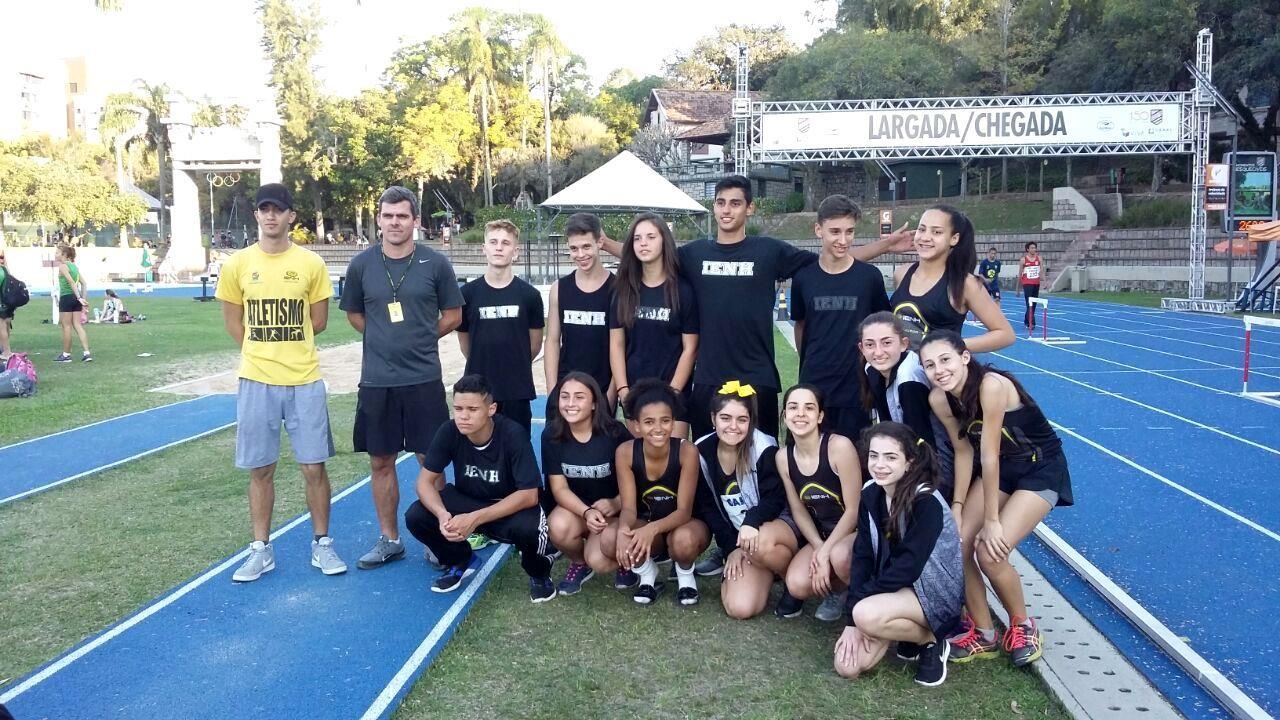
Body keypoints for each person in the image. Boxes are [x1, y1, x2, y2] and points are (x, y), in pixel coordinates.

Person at [216, 183, 346, 582]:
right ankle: (261, 549)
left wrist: (287, 350)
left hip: (304, 379)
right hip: (256, 380)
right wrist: (263, 352)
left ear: (291, 216)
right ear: (256, 215)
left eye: (278, 210)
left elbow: (319, 322)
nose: (271, 216)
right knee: (260, 469)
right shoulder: (237, 264)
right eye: (264, 209)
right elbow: (234, 324)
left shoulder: (310, 264)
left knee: (313, 467)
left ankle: (322, 544)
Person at [919, 330, 1073, 667]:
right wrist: (957, 507)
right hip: (1003, 469)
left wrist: (991, 521)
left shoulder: (991, 385)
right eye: (929, 365)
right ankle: (984, 633)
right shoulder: (939, 399)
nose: (939, 370)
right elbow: (963, 452)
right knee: (957, 544)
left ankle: (1022, 625)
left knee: (990, 553)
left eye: (945, 360)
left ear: (964, 357)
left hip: (1039, 468)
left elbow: (988, 456)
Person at [340, 185, 464, 571]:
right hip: (377, 382)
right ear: (379, 219)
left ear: (415, 221)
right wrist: (383, 339)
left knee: (433, 461)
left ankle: (436, 535)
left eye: (402, 216)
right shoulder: (361, 265)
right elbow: (356, 315)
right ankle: (390, 539)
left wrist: (423, 337)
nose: (395, 222)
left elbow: (453, 315)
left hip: (423, 379)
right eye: (388, 215)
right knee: (381, 461)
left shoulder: (435, 264)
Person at [403, 374, 558, 602]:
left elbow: (529, 495)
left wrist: (474, 519)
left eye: (472, 409)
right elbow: (424, 482)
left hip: (508, 506)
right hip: (469, 500)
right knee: (417, 515)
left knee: (530, 528)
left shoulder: (512, 434)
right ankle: (460, 560)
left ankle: (539, 573)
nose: (463, 416)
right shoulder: (449, 431)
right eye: (458, 408)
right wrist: (442, 514)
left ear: (491, 409)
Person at [834, 422, 963, 688]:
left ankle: (931, 639)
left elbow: (908, 566)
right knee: (847, 667)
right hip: (893, 586)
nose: (879, 464)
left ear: (910, 463)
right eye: (874, 455)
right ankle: (901, 631)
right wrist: (850, 621)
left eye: (891, 457)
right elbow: (863, 556)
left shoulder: (927, 502)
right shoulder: (871, 493)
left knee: (866, 615)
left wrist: (859, 608)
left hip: (932, 592)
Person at [588, 379, 706, 604]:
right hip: (648, 522)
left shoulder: (686, 451)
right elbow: (630, 507)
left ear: (673, 422)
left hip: (684, 524)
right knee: (612, 539)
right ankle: (647, 575)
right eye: (649, 422)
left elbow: (684, 511)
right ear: (636, 425)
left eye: (665, 421)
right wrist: (624, 529)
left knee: (683, 541)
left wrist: (651, 529)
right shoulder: (625, 452)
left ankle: (685, 575)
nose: (658, 428)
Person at [790, 195, 891, 441]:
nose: (843, 240)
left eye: (850, 232)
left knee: (854, 461)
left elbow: (884, 327)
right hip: (814, 385)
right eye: (835, 231)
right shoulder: (804, 278)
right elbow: (801, 325)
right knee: (809, 459)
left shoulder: (869, 277)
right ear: (818, 230)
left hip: (855, 389)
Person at [695, 381, 798, 619]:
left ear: (751, 420)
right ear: (713, 418)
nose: (733, 426)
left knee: (759, 546)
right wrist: (730, 548)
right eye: (725, 418)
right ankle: (762, 569)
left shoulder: (763, 446)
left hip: (773, 527)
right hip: (743, 539)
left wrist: (751, 521)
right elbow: (709, 507)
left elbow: (774, 499)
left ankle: (790, 580)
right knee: (739, 608)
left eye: (742, 419)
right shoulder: (701, 450)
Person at [608, 212, 699, 439]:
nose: (643, 243)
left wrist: (672, 394)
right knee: (642, 464)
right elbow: (617, 345)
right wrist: (624, 392)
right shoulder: (623, 291)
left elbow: (690, 349)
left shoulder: (683, 291)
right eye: (637, 238)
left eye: (650, 237)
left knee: (673, 466)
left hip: (674, 394)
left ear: (664, 241)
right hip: (635, 395)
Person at [776, 384, 862, 622]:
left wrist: (825, 552)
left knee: (840, 557)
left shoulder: (839, 447)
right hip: (824, 535)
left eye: (809, 408)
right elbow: (798, 510)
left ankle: (862, 599)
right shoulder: (783, 457)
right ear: (784, 415)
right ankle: (837, 588)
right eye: (793, 407)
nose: (800, 414)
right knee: (796, 584)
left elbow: (854, 510)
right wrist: (818, 546)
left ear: (820, 415)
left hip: (856, 531)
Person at [543, 372, 632, 596]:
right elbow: (559, 488)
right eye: (565, 396)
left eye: (579, 397)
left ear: (594, 403)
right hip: (580, 511)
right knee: (557, 525)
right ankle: (578, 562)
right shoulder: (552, 435)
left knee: (599, 561)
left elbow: (639, 479)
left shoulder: (615, 433)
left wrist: (616, 502)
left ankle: (623, 560)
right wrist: (586, 512)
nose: (570, 403)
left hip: (614, 513)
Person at [458, 220, 544, 433]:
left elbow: (534, 345)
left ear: (515, 252)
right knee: (480, 454)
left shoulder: (530, 295)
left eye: (505, 243)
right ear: (484, 248)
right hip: (479, 390)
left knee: (516, 453)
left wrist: (513, 364)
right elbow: (465, 344)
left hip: (517, 390)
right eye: (493, 242)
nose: (498, 247)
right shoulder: (467, 294)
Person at [889, 205, 1013, 352]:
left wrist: (949, 347)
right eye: (922, 229)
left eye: (937, 232)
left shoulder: (965, 283)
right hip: (898, 372)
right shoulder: (901, 274)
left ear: (954, 238)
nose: (925, 237)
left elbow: (1005, 334)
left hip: (939, 373)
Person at [544, 213, 614, 407]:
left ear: (600, 243)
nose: (581, 255)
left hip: (602, 390)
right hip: (567, 390)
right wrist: (553, 391)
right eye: (574, 248)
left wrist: (611, 393)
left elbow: (621, 347)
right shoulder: (560, 288)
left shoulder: (617, 288)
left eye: (586, 246)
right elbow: (551, 340)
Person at [859, 312, 937, 455]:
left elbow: (923, 440)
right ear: (861, 348)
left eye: (887, 343)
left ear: (904, 344)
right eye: (870, 344)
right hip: (902, 448)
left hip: (934, 453)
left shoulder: (909, 379)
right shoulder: (871, 369)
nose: (878, 352)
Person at [53, 244, 91, 363]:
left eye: (57, 253)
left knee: (66, 326)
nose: (55, 255)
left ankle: (66, 355)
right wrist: (82, 299)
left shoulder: (63, 266)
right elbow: (84, 283)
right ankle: (87, 353)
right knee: (77, 325)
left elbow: (70, 282)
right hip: (76, 298)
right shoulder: (74, 267)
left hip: (67, 297)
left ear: (64, 255)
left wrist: (80, 298)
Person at [1017, 241, 1044, 336]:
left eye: (1035, 248)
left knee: (1034, 304)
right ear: (1027, 249)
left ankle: (1026, 320)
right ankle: (1031, 322)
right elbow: (1020, 274)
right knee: (1029, 303)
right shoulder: (1023, 260)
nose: (1034, 249)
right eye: (1032, 248)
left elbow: (1042, 271)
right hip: (1027, 284)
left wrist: (1044, 281)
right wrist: (1018, 289)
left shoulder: (1039, 258)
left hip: (1036, 283)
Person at [0, 249, 14, 361]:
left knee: (2, 327)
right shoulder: (4, 269)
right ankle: (5, 349)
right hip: (9, 302)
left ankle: (6, 351)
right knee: (6, 325)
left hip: (1, 302)